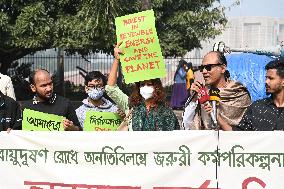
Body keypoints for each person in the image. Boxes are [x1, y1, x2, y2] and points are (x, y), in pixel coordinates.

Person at [105, 43, 180, 131]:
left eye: (149, 84)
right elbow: (111, 88)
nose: (145, 87)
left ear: (156, 87)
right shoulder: (131, 106)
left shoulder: (166, 111)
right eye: (142, 85)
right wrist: (117, 60)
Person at [183, 51, 251, 130]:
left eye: (209, 67)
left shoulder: (238, 93)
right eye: (202, 68)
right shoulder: (202, 93)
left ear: (222, 68)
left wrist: (218, 118)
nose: (204, 72)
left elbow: (246, 130)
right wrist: (193, 100)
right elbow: (186, 125)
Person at [233, 58, 284, 131]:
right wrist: (219, 118)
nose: (266, 82)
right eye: (266, 78)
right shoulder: (257, 108)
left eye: (271, 78)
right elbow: (239, 135)